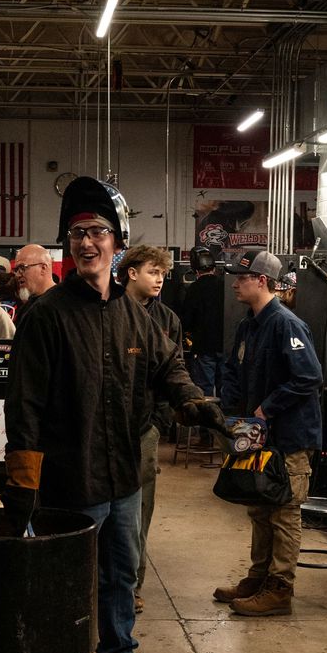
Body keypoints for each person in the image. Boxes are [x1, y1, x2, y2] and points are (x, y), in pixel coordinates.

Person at [3, 177, 223, 653]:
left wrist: (194, 401)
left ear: (116, 240)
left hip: (123, 478)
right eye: (77, 233)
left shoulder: (134, 314)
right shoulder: (46, 316)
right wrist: (23, 480)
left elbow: (167, 366)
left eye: (97, 231)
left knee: (121, 578)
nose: (86, 242)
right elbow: (24, 405)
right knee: (67, 591)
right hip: (68, 482)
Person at [214, 249, 322, 617]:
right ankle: (258, 578)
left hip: (289, 439)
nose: (235, 283)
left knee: (284, 513)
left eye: (241, 278)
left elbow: (308, 377)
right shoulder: (248, 325)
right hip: (257, 437)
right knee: (260, 509)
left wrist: (265, 409)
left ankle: (279, 589)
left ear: (262, 281)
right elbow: (232, 369)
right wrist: (235, 414)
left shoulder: (286, 324)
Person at [116, 245, 183, 614]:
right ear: (131, 273)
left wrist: (159, 423)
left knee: (139, 511)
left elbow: (175, 374)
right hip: (104, 428)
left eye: (162, 273)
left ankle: (132, 585)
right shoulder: (106, 309)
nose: (159, 279)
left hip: (145, 429)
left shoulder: (168, 320)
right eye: (152, 271)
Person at [179, 246, 225, 447]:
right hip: (225, 347)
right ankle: (225, 438)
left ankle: (206, 438)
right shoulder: (225, 286)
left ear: (195, 269)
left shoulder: (194, 290)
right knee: (225, 392)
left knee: (204, 393)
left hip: (204, 348)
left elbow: (185, 322)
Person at [13, 244, 56, 323]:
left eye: (23, 268)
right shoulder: (25, 309)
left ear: (43, 268)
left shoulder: (62, 306)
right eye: (16, 269)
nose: (18, 275)